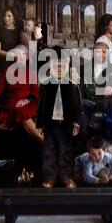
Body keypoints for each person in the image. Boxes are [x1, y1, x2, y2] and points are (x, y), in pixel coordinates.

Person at [36, 47, 83, 188]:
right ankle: (50, 177)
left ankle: (66, 176)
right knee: (49, 151)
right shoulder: (45, 84)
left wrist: (77, 123)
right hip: (49, 124)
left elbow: (78, 107)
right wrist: (39, 125)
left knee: (65, 150)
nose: (60, 68)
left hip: (66, 123)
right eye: (57, 65)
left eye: (63, 65)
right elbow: (41, 105)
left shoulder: (72, 85)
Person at [0, 44, 43, 143]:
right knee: (20, 111)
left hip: (29, 102)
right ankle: (45, 143)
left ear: (27, 56)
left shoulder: (31, 72)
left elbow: (36, 92)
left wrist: (26, 100)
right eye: (16, 56)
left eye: (21, 55)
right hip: (13, 104)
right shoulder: (8, 71)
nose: (19, 58)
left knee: (24, 113)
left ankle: (43, 142)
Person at [0, 7, 20, 77]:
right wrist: (13, 56)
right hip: (2, 65)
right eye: (4, 16)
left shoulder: (18, 31)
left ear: (14, 17)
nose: (6, 18)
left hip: (16, 65)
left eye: (9, 16)